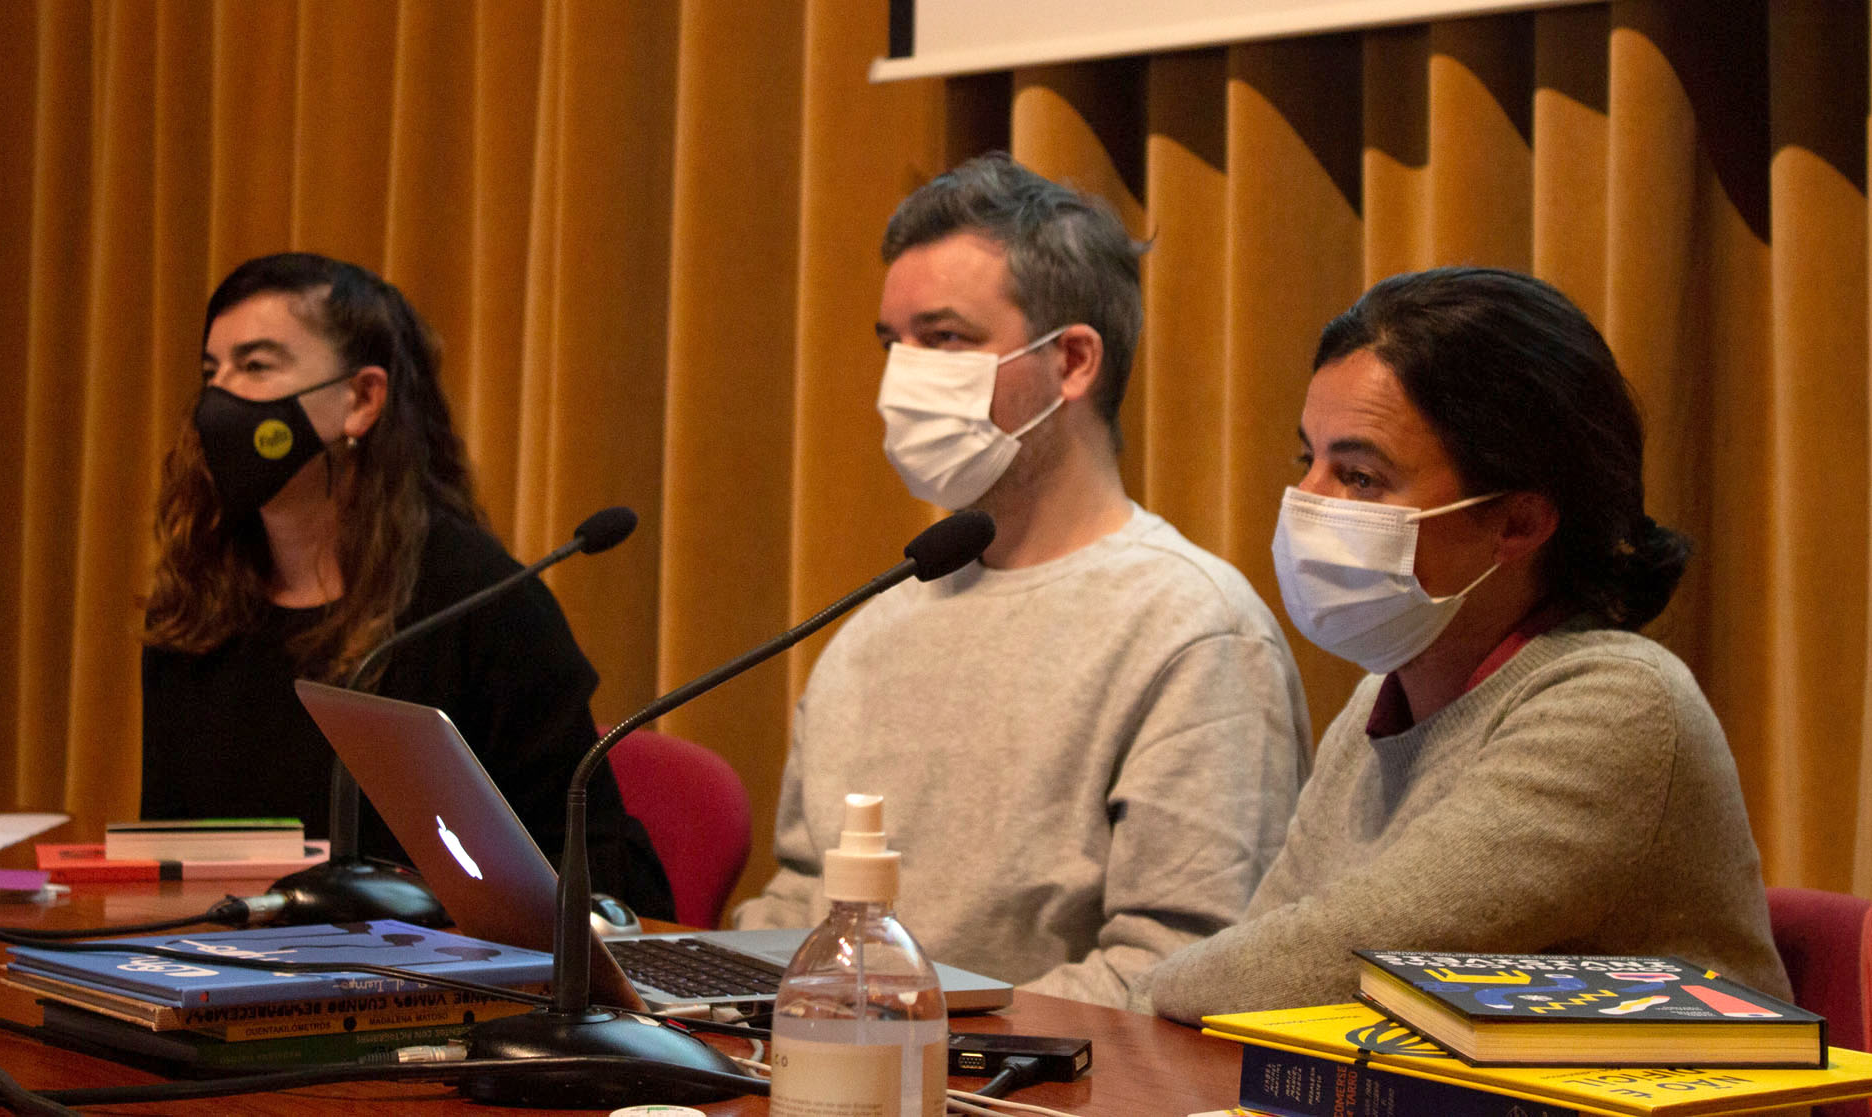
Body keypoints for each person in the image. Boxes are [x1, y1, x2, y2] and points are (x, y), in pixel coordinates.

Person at [732, 153, 1313, 1006]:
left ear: (1073, 361)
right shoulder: (873, 627)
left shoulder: (1195, 628)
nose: (903, 379)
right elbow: (804, 901)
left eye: (945, 339)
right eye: (893, 343)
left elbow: (1179, 971)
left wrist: (909, 1041)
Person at [1139, 266, 1789, 1021]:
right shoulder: (1379, 704)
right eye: (1305, 460)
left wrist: (1147, 995)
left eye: (1359, 475)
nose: (1307, 501)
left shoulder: (1621, 706)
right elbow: (1260, 959)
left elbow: (1336, 958)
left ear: (1518, 521)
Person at [140, 253, 673, 919]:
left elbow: (588, 882)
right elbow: (171, 859)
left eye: (256, 366)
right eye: (211, 372)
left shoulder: (480, 604)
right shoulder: (199, 605)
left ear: (362, 399)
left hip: (438, 988)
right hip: (222, 976)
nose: (219, 400)